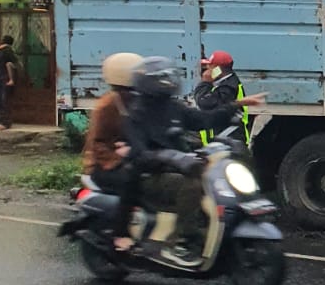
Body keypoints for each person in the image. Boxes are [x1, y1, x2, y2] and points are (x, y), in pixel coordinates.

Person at [121, 58, 261, 261]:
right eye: (161, 79)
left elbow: (203, 120)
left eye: (167, 78)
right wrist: (171, 157)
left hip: (176, 167)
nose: (167, 83)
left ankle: (205, 232)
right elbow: (140, 155)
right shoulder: (136, 113)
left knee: (214, 180)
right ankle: (181, 242)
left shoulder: (172, 107)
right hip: (148, 175)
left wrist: (236, 105)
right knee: (193, 186)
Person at [83, 51, 143, 251]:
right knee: (131, 182)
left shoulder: (134, 101)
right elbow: (98, 144)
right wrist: (119, 158)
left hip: (130, 159)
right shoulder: (107, 106)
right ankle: (121, 232)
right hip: (103, 166)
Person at [193, 50, 251, 146]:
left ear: (218, 69)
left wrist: (205, 83)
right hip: (219, 141)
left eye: (210, 66)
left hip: (228, 140)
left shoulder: (229, 87)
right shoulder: (222, 82)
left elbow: (204, 102)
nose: (207, 68)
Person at [0, 34, 17, 128]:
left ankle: (5, 123)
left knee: (2, 100)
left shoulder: (5, 50)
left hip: (3, 79)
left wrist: (11, 78)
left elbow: (13, 63)